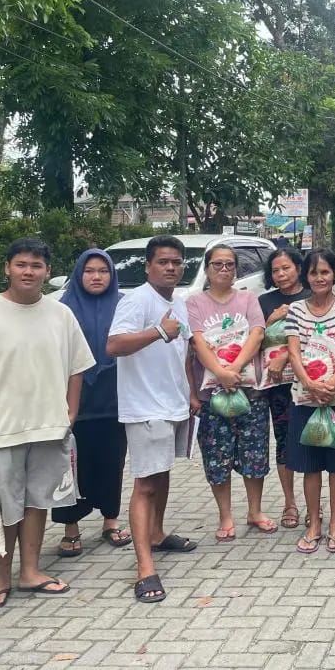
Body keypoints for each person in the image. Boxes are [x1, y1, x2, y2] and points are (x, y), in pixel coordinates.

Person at [0, 239, 95, 608]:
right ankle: (2, 578)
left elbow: (77, 368)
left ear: (48, 271)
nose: (29, 271)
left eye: (37, 265)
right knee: (2, 507)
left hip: (48, 427)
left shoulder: (61, 315)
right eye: (21, 264)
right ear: (7, 268)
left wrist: (70, 412)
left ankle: (30, 571)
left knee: (37, 502)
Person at [107, 235, 199, 604]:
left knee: (162, 473)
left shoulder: (179, 302)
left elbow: (185, 351)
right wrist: (159, 331)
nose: (171, 267)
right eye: (163, 261)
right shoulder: (136, 300)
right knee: (145, 484)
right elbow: (114, 345)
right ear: (148, 266)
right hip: (145, 407)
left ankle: (157, 535)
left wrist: (190, 393)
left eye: (177, 262)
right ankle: (144, 568)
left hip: (173, 403)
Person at [187, 244, 271, 542]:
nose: (224, 269)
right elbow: (196, 342)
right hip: (211, 396)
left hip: (250, 392)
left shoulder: (248, 298)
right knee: (217, 457)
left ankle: (255, 511)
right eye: (217, 264)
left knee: (254, 454)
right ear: (207, 268)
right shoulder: (194, 303)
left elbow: (257, 334)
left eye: (229, 264)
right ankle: (225, 516)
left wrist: (233, 368)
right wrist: (220, 374)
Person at [52, 249, 131, 557]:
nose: (96, 277)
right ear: (78, 274)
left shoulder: (123, 304)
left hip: (114, 398)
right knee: (71, 465)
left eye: (103, 271)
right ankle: (70, 527)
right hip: (73, 401)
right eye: (89, 271)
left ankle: (110, 521)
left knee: (112, 462)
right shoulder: (62, 308)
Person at [286, 249, 335, 554]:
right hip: (305, 398)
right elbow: (293, 352)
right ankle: (314, 525)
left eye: (325, 272)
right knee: (310, 466)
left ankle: (334, 524)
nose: (319, 278)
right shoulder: (296, 310)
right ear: (305, 276)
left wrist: (332, 384)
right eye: (313, 273)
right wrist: (309, 384)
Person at [255, 247, 310, 529]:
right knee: (284, 442)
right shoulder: (264, 301)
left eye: (286, 268)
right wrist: (272, 319)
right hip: (277, 386)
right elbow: (254, 339)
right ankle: (290, 503)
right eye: (275, 270)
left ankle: (314, 504)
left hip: (309, 381)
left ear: (299, 268)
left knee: (312, 440)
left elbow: (316, 336)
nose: (281, 274)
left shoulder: (312, 296)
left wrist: (286, 355)